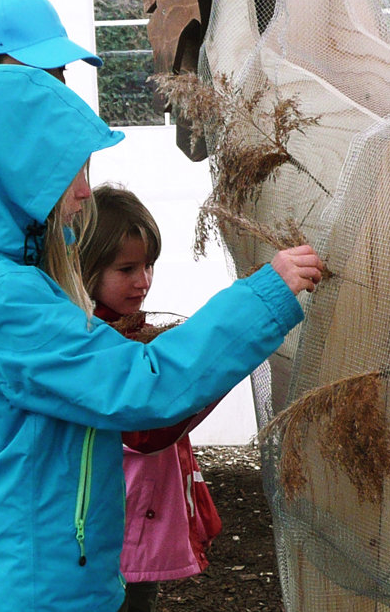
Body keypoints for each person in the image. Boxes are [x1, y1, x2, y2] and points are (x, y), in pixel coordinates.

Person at [0, 4, 324, 612]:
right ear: (21, 174)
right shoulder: (7, 300)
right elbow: (146, 387)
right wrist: (265, 296)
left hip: (40, 564)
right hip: (44, 586)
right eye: (69, 172)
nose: (86, 190)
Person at [79, 184, 224, 612]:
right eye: (127, 269)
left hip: (138, 523)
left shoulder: (130, 331)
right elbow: (146, 431)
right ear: (87, 268)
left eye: (149, 266)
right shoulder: (95, 345)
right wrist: (209, 371)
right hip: (119, 530)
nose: (143, 282)